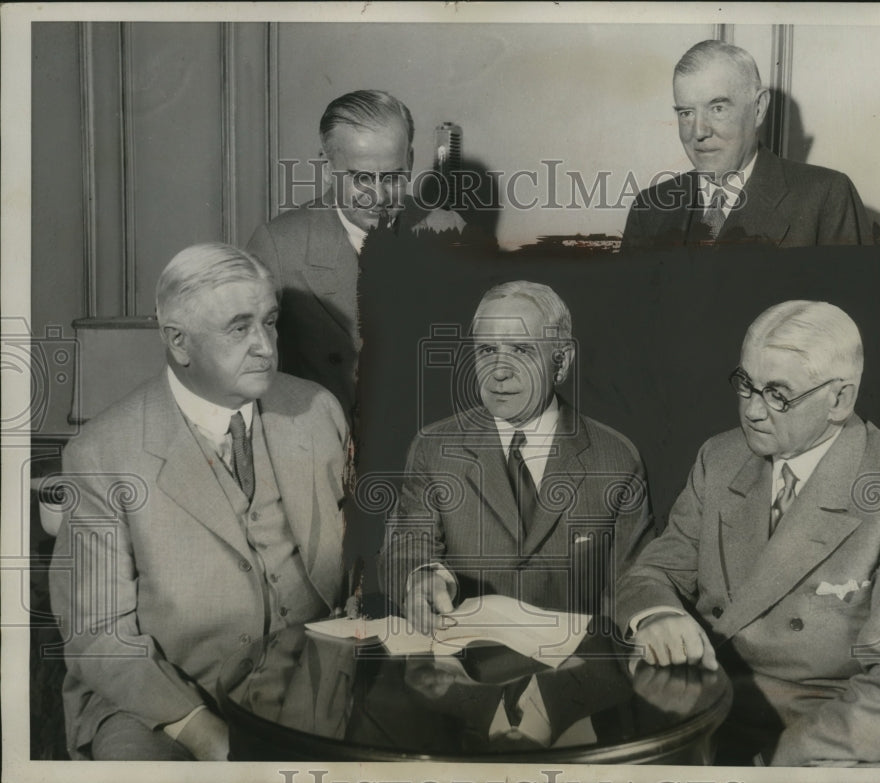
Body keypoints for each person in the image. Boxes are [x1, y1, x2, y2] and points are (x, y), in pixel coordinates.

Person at [616, 301, 880, 766]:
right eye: (746, 384)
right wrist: (656, 615)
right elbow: (653, 572)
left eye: (778, 394)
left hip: (840, 743)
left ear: (839, 400)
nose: (752, 411)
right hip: (716, 717)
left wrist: (783, 763)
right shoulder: (720, 459)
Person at [49, 243, 351, 760]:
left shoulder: (317, 409)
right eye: (239, 328)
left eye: (270, 321)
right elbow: (98, 635)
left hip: (310, 683)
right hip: (157, 700)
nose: (265, 346)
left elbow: (362, 555)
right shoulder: (101, 453)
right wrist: (203, 732)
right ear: (178, 342)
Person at [382, 281, 655, 634]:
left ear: (561, 362)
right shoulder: (433, 448)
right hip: (462, 658)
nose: (498, 371)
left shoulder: (617, 459)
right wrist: (421, 578)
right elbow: (406, 549)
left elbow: (636, 584)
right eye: (486, 350)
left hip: (576, 664)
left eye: (522, 350)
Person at [246, 89, 466, 415]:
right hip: (323, 438)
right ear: (327, 166)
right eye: (361, 178)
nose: (378, 196)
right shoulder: (279, 246)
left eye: (392, 177)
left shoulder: (449, 230)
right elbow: (246, 370)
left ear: (409, 160)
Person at [621, 40, 872, 250]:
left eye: (717, 108)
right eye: (686, 113)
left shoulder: (826, 197)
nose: (699, 132)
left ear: (758, 109)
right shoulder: (649, 208)